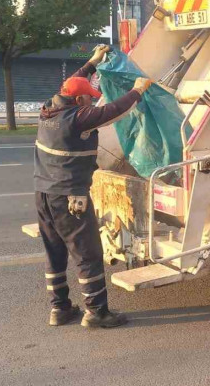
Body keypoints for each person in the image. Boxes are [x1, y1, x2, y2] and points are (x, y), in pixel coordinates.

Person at [34, 44, 152, 328]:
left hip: (43, 195)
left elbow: (72, 83)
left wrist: (93, 62)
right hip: (70, 198)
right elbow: (114, 111)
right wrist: (138, 90)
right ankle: (97, 312)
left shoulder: (49, 109)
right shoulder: (79, 119)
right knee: (87, 254)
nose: (92, 102)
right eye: (89, 98)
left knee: (55, 251)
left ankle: (60, 309)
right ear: (79, 101)